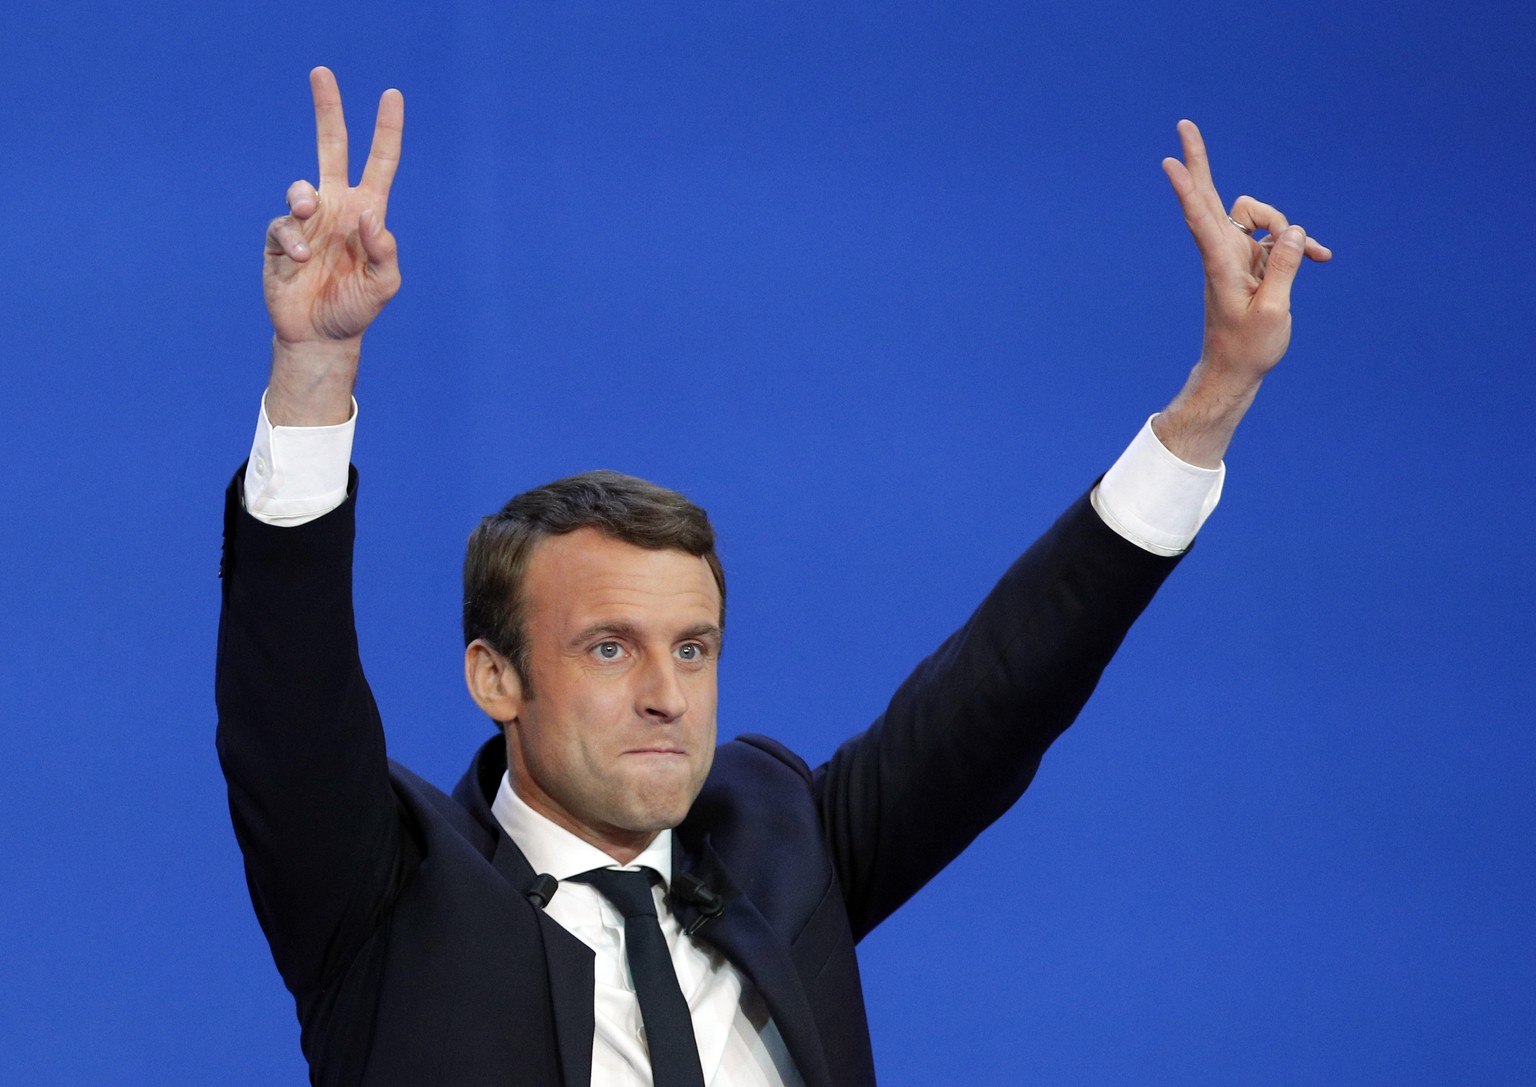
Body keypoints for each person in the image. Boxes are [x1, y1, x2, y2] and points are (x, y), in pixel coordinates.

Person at [217, 67, 1330, 1087]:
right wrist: (314, 368)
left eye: (692, 648)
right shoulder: (389, 891)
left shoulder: (775, 834)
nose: (669, 693)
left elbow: (1006, 685)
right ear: (494, 676)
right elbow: (288, 703)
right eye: (610, 647)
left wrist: (1215, 394)